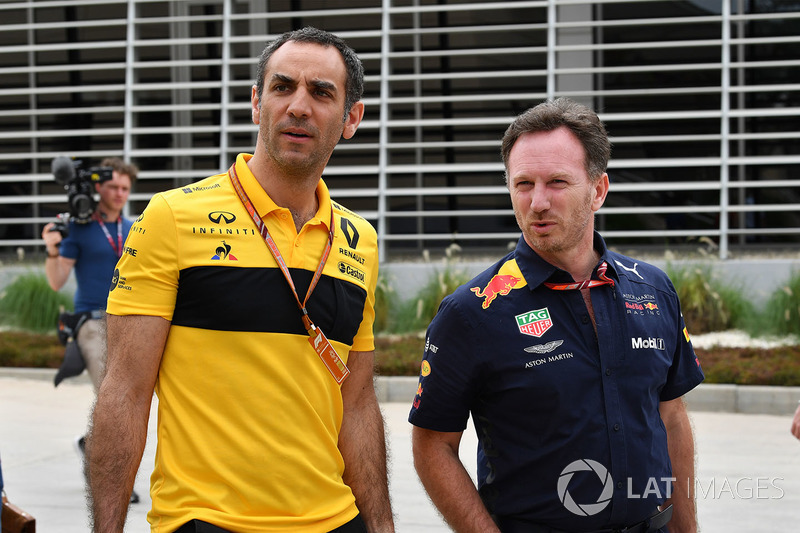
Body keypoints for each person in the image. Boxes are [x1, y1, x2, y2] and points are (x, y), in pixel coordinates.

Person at [87, 27, 394, 533]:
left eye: (321, 92)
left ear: (351, 118)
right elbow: (125, 392)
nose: (298, 106)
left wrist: (381, 528)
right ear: (257, 103)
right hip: (206, 520)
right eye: (282, 87)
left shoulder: (359, 239)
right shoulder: (171, 217)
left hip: (336, 520)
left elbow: (357, 403)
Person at [408, 98, 705, 533]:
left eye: (557, 182)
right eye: (523, 184)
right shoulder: (472, 312)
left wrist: (687, 528)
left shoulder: (654, 290)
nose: (538, 202)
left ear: (598, 190)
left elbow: (671, 416)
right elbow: (432, 445)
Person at [40, 156, 140, 504]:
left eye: (125, 188)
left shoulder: (133, 228)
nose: (118, 193)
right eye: (112, 186)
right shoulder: (79, 228)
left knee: (124, 400)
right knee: (113, 396)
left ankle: (90, 443)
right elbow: (56, 281)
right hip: (90, 322)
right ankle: (110, 483)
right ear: (99, 187)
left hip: (127, 321)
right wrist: (53, 247)